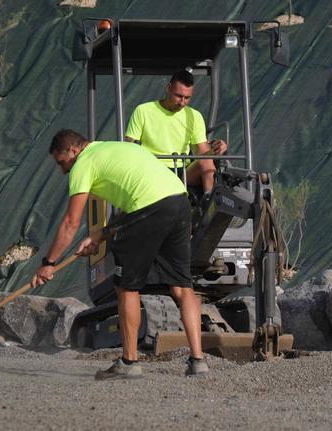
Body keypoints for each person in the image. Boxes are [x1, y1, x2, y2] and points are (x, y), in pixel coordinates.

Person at [32, 129, 207, 379]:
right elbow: (140, 194)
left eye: (62, 162)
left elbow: (71, 223)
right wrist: (101, 233)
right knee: (182, 286)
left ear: (73, 150)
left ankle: (129, 362)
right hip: (179, 201)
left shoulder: (84, 163)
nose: (63, 170)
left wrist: (48, 263)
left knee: (126, 286)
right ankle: (198, 361)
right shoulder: (116, 149)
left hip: (149, 208)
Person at [124, 70, 227, 196]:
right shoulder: (143, 111)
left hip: (182, 172)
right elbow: (129, 147)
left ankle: (209, 204)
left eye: (187, 98)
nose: (182, 102)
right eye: (178, 96)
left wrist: (216, 150)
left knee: (207, 160)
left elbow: (202, 153)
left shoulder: (195, 116)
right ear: (168, 88)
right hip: (151, 170)